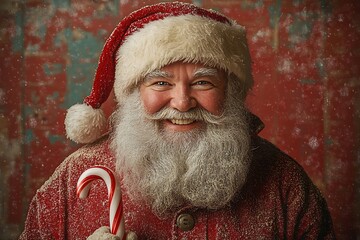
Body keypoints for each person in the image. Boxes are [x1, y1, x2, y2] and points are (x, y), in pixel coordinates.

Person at [20, 2, 335, 239]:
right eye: (160, 83)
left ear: (231, 92)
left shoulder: (284, 183)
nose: (182, 103)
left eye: (203, 82)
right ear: (132, 92)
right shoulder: (73, 178)